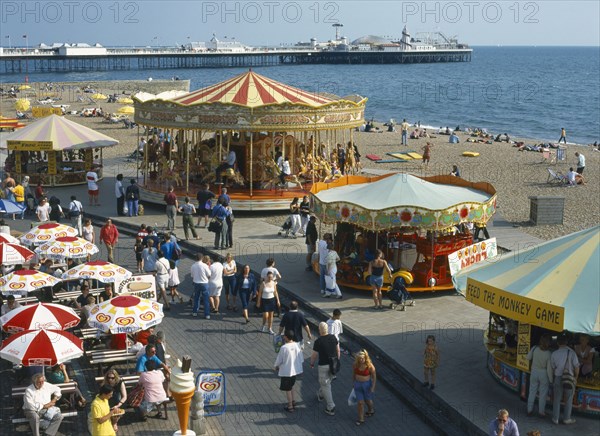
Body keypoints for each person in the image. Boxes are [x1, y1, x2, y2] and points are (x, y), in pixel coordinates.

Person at [310, 322, 340, 416]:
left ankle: (331, 407)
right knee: (326, 383)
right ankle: (321, 394)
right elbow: (338, 350)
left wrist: (311, 363)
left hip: (323, 366)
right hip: (333, 365)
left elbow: (314, 355)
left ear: (319, 330)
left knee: (326, 385)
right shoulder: (333, 338)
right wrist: (337, 360)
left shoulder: (318, 341)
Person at [550, 334, 579, 425]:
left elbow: (553, 367)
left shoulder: (554, 353)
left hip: (558, 377)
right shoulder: (572, 353)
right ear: (566, 342)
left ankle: (555, 418)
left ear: (558, 342)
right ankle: (566, 418)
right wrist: (576, 377)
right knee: (569, 399)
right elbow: (577, 367)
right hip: (569, 378)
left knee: (557, 399)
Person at [274, 330, 304, 413]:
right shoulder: (297, 345)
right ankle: (293, 401)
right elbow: (301, 358)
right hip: (294, 371)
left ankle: (290, 406)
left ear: (286, 337)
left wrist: (276, 366)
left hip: (287, 372)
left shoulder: (284, 348)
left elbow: (279, 359)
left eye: (284, 336)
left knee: (288, 389)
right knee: (291, 386)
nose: (283, 337)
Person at [526, 334, 552, 417]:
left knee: (532, 391)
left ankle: (529, 409)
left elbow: (528, 357)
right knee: (543, 394)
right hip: (543, 373)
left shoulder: (534, 348)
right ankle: (541, 411)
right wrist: (551, 379)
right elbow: (549, 369)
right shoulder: (548, 353)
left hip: (534, 371)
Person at [352, 349, 376, 426]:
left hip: (367, 385)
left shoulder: (370, 366)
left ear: (366, 358)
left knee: (368, 400)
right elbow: (354, 374)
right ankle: (361, 419)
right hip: (357, 385)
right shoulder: (355, 364)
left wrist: (373, 387)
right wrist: (353, 383)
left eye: (363, 358)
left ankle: (370, 410)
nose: (361, 360)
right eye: (360, 358)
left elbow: (374, 377)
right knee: (360, 402)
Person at [191, 253, 212, 319]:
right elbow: (209, 274)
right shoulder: (204, 266)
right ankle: (207, 314)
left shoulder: (193, 266)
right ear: (202, 258)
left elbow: (192, 275)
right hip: (204, 283)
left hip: (196, 283)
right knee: (206, 299)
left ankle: (195, 312)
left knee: (196, 298)